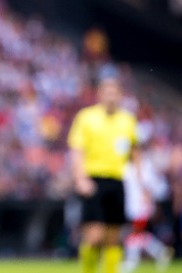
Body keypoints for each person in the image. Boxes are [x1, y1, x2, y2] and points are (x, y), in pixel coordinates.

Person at [68, 77, 138, 273]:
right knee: (94, 236)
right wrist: (80, 178)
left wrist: (141, 184)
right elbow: (77, 150)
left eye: (114, 92)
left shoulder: (128, 120)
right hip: (94, 181)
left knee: (113, 239)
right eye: (107, 92)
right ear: (100, 94)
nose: (111, 96)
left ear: (120, 95)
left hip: (117, 181)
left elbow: (134, 153)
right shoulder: (86, 117)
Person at [121, 146, 173, 273]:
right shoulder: (128, 167)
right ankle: (160, 252)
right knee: (139, 234)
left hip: (141, 205)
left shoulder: (146, 167)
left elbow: (152, 186)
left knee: (135, 233)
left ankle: (132, 260)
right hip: (131, 205)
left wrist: (148, 199)